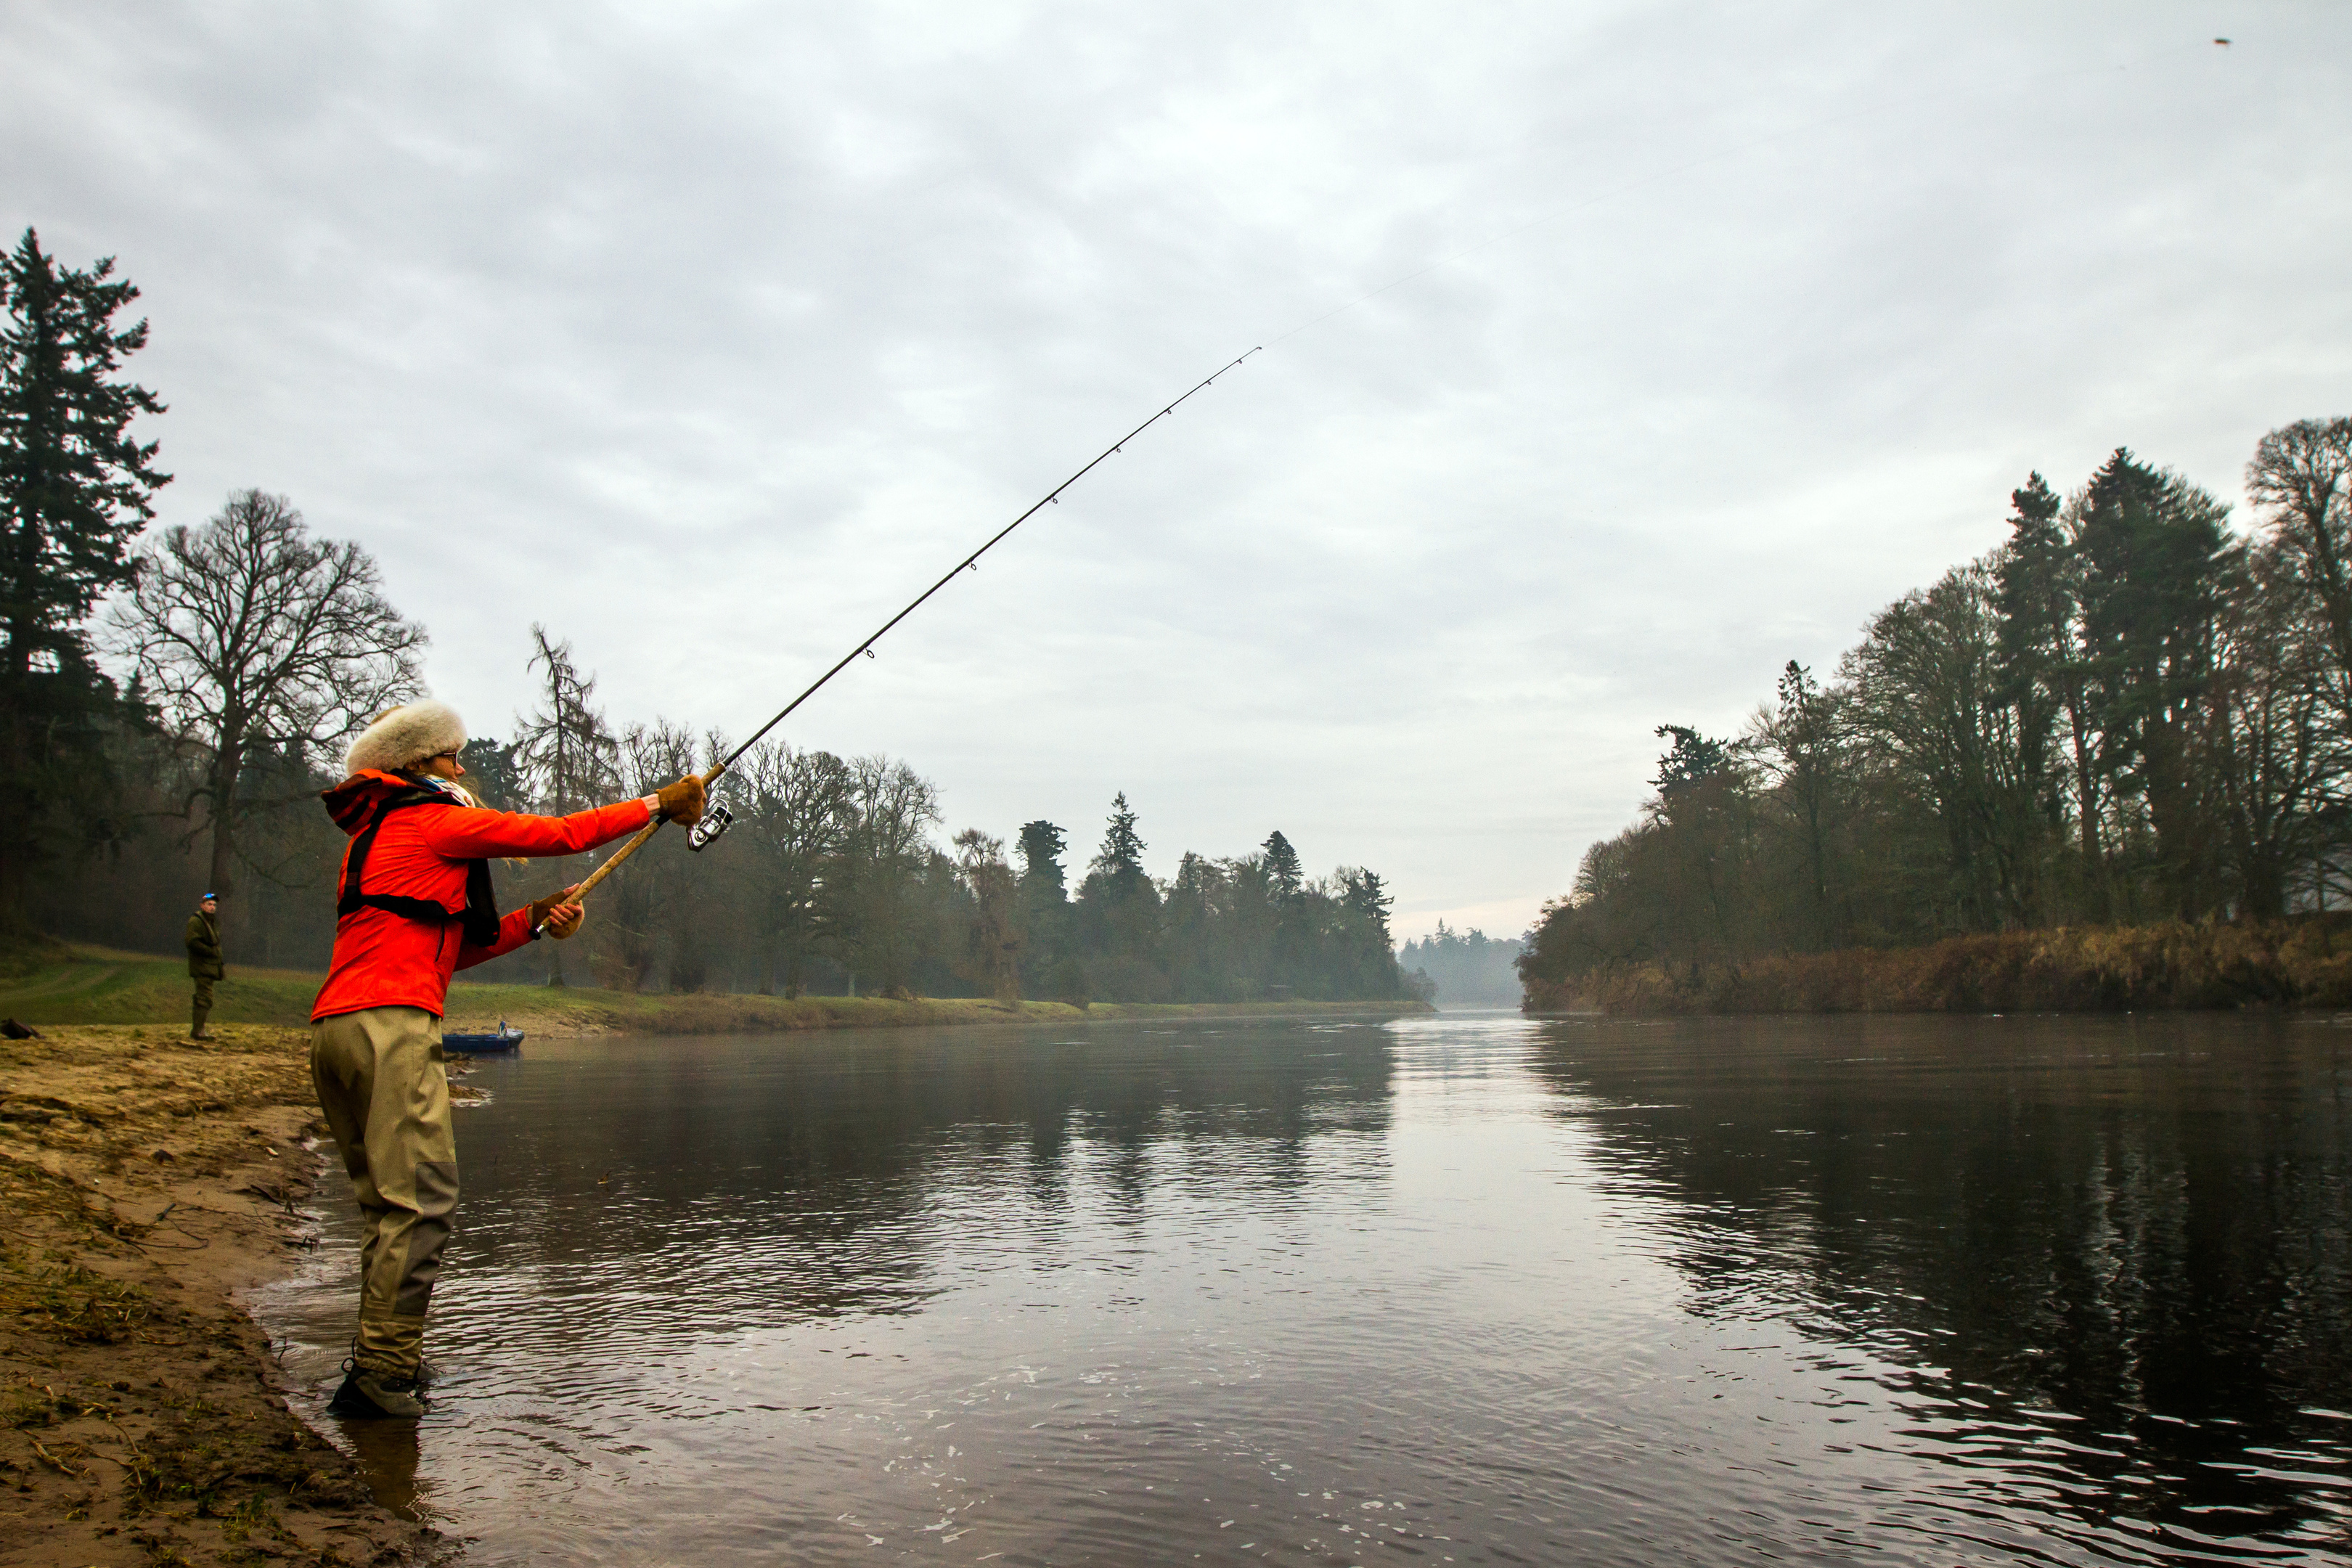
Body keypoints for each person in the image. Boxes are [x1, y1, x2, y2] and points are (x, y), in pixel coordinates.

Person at [311, 698, 705, 1420]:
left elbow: (448, 949)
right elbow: (557, 834)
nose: (462, 768)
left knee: (386, 1206)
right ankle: (382, 1376)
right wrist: (658, 802)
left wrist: (533, 921)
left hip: (337, 1030)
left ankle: (382, 1360)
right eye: (450, 756)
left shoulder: (378, 835)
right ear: (415, 765)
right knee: (422, 1204)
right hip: (390, 1030)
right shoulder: (429, 817)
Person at [185, 893, 224, 1040]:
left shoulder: (211, 922)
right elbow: (191, 942)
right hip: (202, 967)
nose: (212, 907)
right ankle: (198, 1031)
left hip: (209, 967)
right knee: (204, 999)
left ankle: (199, 1029)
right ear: (202, 906)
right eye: (209, 904)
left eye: (214, 905)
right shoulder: (196, 921)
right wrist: (210, 952)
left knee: (204, 998)